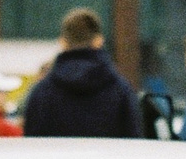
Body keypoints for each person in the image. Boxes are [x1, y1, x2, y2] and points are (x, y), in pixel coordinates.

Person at [21, 8, 142, 139]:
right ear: (99, 41)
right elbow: (133, 139)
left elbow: (33, 145)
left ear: (63, 42)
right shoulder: (121, 91)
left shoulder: (41, 93)